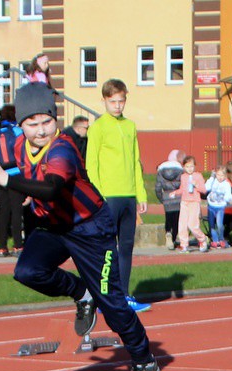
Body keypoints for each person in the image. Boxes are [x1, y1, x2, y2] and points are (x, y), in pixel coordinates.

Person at [0, 82, 161, 371]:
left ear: (56, 121)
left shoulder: (62, 147)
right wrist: (25, 193)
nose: (40, 130)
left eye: (46, 122)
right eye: (32, 124)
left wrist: (6, 180)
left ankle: (145, 361)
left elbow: (51, 187)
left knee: (114, 306)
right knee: (27, 271)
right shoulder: (21, 147)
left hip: (91, 229)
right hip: (54, 226)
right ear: (20, 125)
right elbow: (36, 182)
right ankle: (81, 293)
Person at [85, 79, 150, 313]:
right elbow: (91, 164)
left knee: (127, 246)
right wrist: (98, 195)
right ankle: (105, 297)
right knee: (107, 249)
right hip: (108, 196)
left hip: (128, 196)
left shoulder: (130, 126)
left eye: (121, 101)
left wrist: (140, 194)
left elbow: (135, 161)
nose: (117, 106)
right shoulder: (98, 127)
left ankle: (123, 294)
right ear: (104, 101)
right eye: (112, 101)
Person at [0, 104, 25, 257]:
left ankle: (2, 247)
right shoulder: (18, 132)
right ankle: (18, 245)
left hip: (0, 174)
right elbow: (23, 152)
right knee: (16, 210)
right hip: (15, 174)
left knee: (4, 211)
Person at [169, 155, 208, 253]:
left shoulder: (198, 176)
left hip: (194, 202)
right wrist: (175, 192)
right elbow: (182, 189)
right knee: (182, 224)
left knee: (193, 225)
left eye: (191, 166)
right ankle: (184, 244)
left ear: (195, 166)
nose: (189, 169)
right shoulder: (183, 176)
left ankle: (202, 239)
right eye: (187, 167)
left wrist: (196, 185)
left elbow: (204, 190)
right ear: (183, 167)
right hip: (184, 202)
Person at [155, 149, 184, 250]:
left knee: (168, 217)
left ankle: (168, 233)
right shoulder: (180, 170)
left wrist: (162, 199)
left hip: (167, 197)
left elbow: (158, 187)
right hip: (178, 197)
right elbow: (183, 185)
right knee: (177, 219)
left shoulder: (161, 169)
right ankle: (174, 237)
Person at [205, 165, 232, 248]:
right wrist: (211, 177)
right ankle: (215, 240)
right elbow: (206, 187)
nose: (220, 177)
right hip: (211, 205)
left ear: (225, 176)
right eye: (218, 175)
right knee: (212, 225)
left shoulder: (226, 184)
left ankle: (221, 238)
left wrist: (230, 200)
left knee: (219, 224)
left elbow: (228, 194)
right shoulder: (213, 181)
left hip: (220, 207)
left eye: (222, 175)